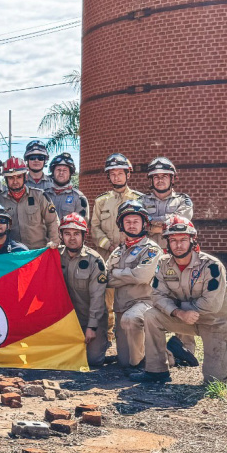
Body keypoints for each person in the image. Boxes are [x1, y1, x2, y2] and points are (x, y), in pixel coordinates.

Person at [131, 217, 227, 384]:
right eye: (173, 240)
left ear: (192, 240)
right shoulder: (163, 263)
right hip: (184, 317)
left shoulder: (211, 265)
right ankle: (156, 371)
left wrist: (183, 310)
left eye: (183, 239)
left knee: (216, 380)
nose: (178, 245)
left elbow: (212, 304)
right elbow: (157, 295)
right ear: (167, 242)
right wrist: (179, 312)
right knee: (151, 315)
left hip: (216, 322)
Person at [105, 201, 162, 370]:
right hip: (121, 307)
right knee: (124, 361)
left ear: (144, 224)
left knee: (131, 320)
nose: (131, 225)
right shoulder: (118, 251)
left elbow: (142, 276)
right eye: (127, 222)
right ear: (121, 225)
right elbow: (107, 277)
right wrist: (129, 274)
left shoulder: (151, 249)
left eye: (136, 221)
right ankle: (163, 354)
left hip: (144, 303)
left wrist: (118, 274)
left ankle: (144, 365)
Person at [90, 153, 141, 342]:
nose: (116, 177)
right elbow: (94, 227)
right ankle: (108, 337)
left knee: (130, 295)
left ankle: (129, 335)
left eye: (120, 173)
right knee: (106, 298)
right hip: (106, 257)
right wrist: (108, 245)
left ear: (128, 174)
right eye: (112, 174)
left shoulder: (139, 199)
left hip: (132, 257)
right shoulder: (101, 201)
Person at [57, 213, 109, 366]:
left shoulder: (95, 261)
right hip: (65, 321)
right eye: (67, 233)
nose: (72, 238)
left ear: (83, 235)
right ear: (61, 235)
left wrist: (92, 327)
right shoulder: (54, 256)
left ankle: (103, 340)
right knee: (61, 359)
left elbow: (97, 297)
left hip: (90, 319)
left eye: (76, 234)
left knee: (92, 361)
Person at [0, 156, 59, 249]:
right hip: (12, 255)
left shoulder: (40, 196)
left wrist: (54, 242)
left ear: (25, 177)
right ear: (6, 179)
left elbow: (52, 221)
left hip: (37, 252)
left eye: (19, 177)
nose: (15, 181)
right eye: (10, 178)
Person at [140, 157, 193, 247]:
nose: (160, 180)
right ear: (151, 180)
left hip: (173, 253)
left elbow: (180, 223)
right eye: (156, 177)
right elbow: (137, 224)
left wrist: (151, 226)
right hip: (147, 253)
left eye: (164, 176)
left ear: (172, 179)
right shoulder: (141, 201)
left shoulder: (183, 200)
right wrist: (167, 223)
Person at [44, 153, 89, 222]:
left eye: (65, 170)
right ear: (53, 172)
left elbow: (82, 225)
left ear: (70, 173)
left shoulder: (79, 198)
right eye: (58, 170)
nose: (61, 173)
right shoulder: (44, 195)